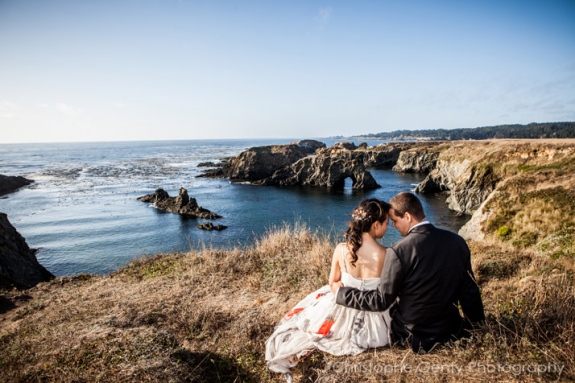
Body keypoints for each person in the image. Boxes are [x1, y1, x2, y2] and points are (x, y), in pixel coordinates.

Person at [335, 192, 485, 354]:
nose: (392, 225)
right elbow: (470, 292)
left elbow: (381, 301)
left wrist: (342, 293)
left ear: (407, 216)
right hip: (451, 331)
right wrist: (475, 329)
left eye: (394, 220)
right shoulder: (457, 242)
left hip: (412, 337)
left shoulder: (399, 251)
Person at [265, 199, 392, 382]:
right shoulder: (386, 254)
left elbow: (332, 282)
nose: (389, 227)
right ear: (376, 224)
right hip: (375, 320)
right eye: (387, 222)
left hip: (342, 304)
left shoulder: (341, 249)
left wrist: (340, 289)